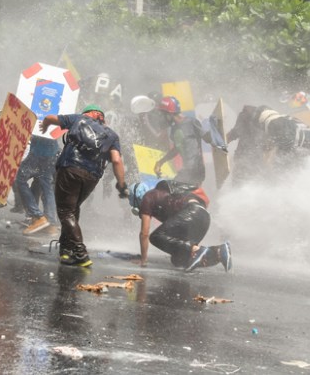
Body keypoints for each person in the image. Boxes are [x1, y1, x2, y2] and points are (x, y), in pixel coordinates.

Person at [40, 104, 128, 267]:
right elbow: (116, 160)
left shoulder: (79, 119)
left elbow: (50, 118)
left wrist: (45, 124)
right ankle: (66, 251)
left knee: (65, 211)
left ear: (91, 113)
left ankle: (80, 253)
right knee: (73, 209)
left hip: (70, 169)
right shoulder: (112, 135)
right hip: (92, 177)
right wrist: (121, 185)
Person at [128, 180, 232, 272]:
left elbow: (144, 233)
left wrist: (143, 260)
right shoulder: (161, 198)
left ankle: (196, 250)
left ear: (137, 197)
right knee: (179, 260)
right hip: (203, 217)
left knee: (155, 237)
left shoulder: (148, 197)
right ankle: (219, 252)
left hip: (193, 212)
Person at [153, 96, 206, 186]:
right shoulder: (174, 129)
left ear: (169, 114)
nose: (162, 118)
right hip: (187, 170)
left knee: (171, 190)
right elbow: (177, 149)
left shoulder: (191, 122)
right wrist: (161, 162)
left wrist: (219, 141)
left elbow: (207, 136)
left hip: (195, 168)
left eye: (163, 115)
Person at [15, 134, 60, 235]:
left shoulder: (41, 120)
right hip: (52, 153)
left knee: (20, 180)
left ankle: (38, 216)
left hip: (38, 153)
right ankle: (51, 224)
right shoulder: (56, 119)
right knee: (47, 186)